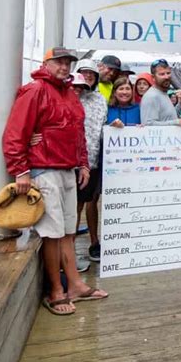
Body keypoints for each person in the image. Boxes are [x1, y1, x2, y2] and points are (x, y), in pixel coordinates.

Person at [2, 47, 108, 316]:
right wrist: (21, 170)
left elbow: (78, 131)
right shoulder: (35, 90)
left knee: (69, 231)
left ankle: (74, 285)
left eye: (67, 63)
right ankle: (55, 291)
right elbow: (15, 134)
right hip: (44, 170)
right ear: (46, 63)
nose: (63, 67)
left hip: (68, 170)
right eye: (58, 62)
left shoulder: (69, 93)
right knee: (52, 233)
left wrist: (82, 162)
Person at [75, 59, 108, 265]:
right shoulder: (71, 95)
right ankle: (69, 251)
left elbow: (101, 127)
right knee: (75, 206)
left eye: (91, 74)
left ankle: (94, 242)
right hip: (75, 162)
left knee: (92, 202)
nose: (88, 76)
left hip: (94, 160)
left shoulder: (100, 99)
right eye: (84, 72)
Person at [140, 59, 181, 126]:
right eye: (162, 74)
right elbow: (148, 125)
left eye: (168, 73)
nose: (166, 77)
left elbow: (170, 118)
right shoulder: (151, 96)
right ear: (153, 77)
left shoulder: (163, 93)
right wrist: (178, 122)